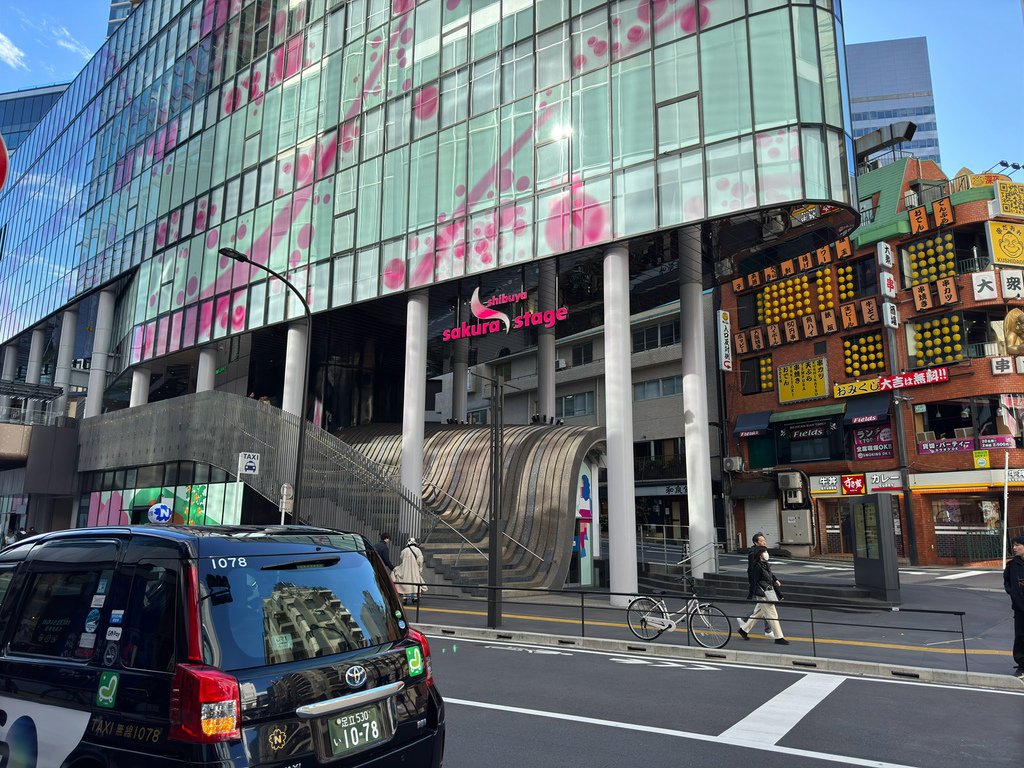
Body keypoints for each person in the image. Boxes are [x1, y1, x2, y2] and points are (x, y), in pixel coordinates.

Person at [737, 534, 789, 645]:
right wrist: (753, 590)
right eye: (762, 541)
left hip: (766, 589)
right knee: (772, 614)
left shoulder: (763, 562)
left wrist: (775, 579)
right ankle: (779, 637)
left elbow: (769, 574)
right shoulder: (755, 559)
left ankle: (743, 629)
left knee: (759, 612)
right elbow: (753, 576)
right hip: (763, 591)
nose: (764, 542)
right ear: (756, 542)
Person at [1003, 534, 1024, 678]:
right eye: (1013, 545)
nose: (1014, 548)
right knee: (1021, 637)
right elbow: (1007, 582)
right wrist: (1013, 593)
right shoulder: (1012, 565)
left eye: (1017, 545)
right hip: (1020, 609)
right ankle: (1022, 666)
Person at [393, 537, 427, 605]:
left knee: (406, 583)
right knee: (415, 582)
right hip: (414, 569)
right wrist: (420, 567)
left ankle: (405, 598)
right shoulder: (417, 550)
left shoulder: (404, 551)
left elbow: (401, 557)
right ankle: (415, 599)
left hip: (406, 569)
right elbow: (420, 560)